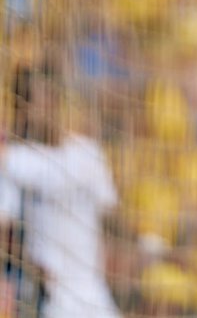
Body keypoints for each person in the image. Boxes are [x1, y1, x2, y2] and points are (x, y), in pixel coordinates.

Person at [0, 58, 121, 318]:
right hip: (53, 299)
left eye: (51, 97)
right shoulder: (15, 163)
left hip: (95, 292)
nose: (47, 107)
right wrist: (29, 264)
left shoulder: (88, 154)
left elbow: (113, 219)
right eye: (37, 101)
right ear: (23, 109)